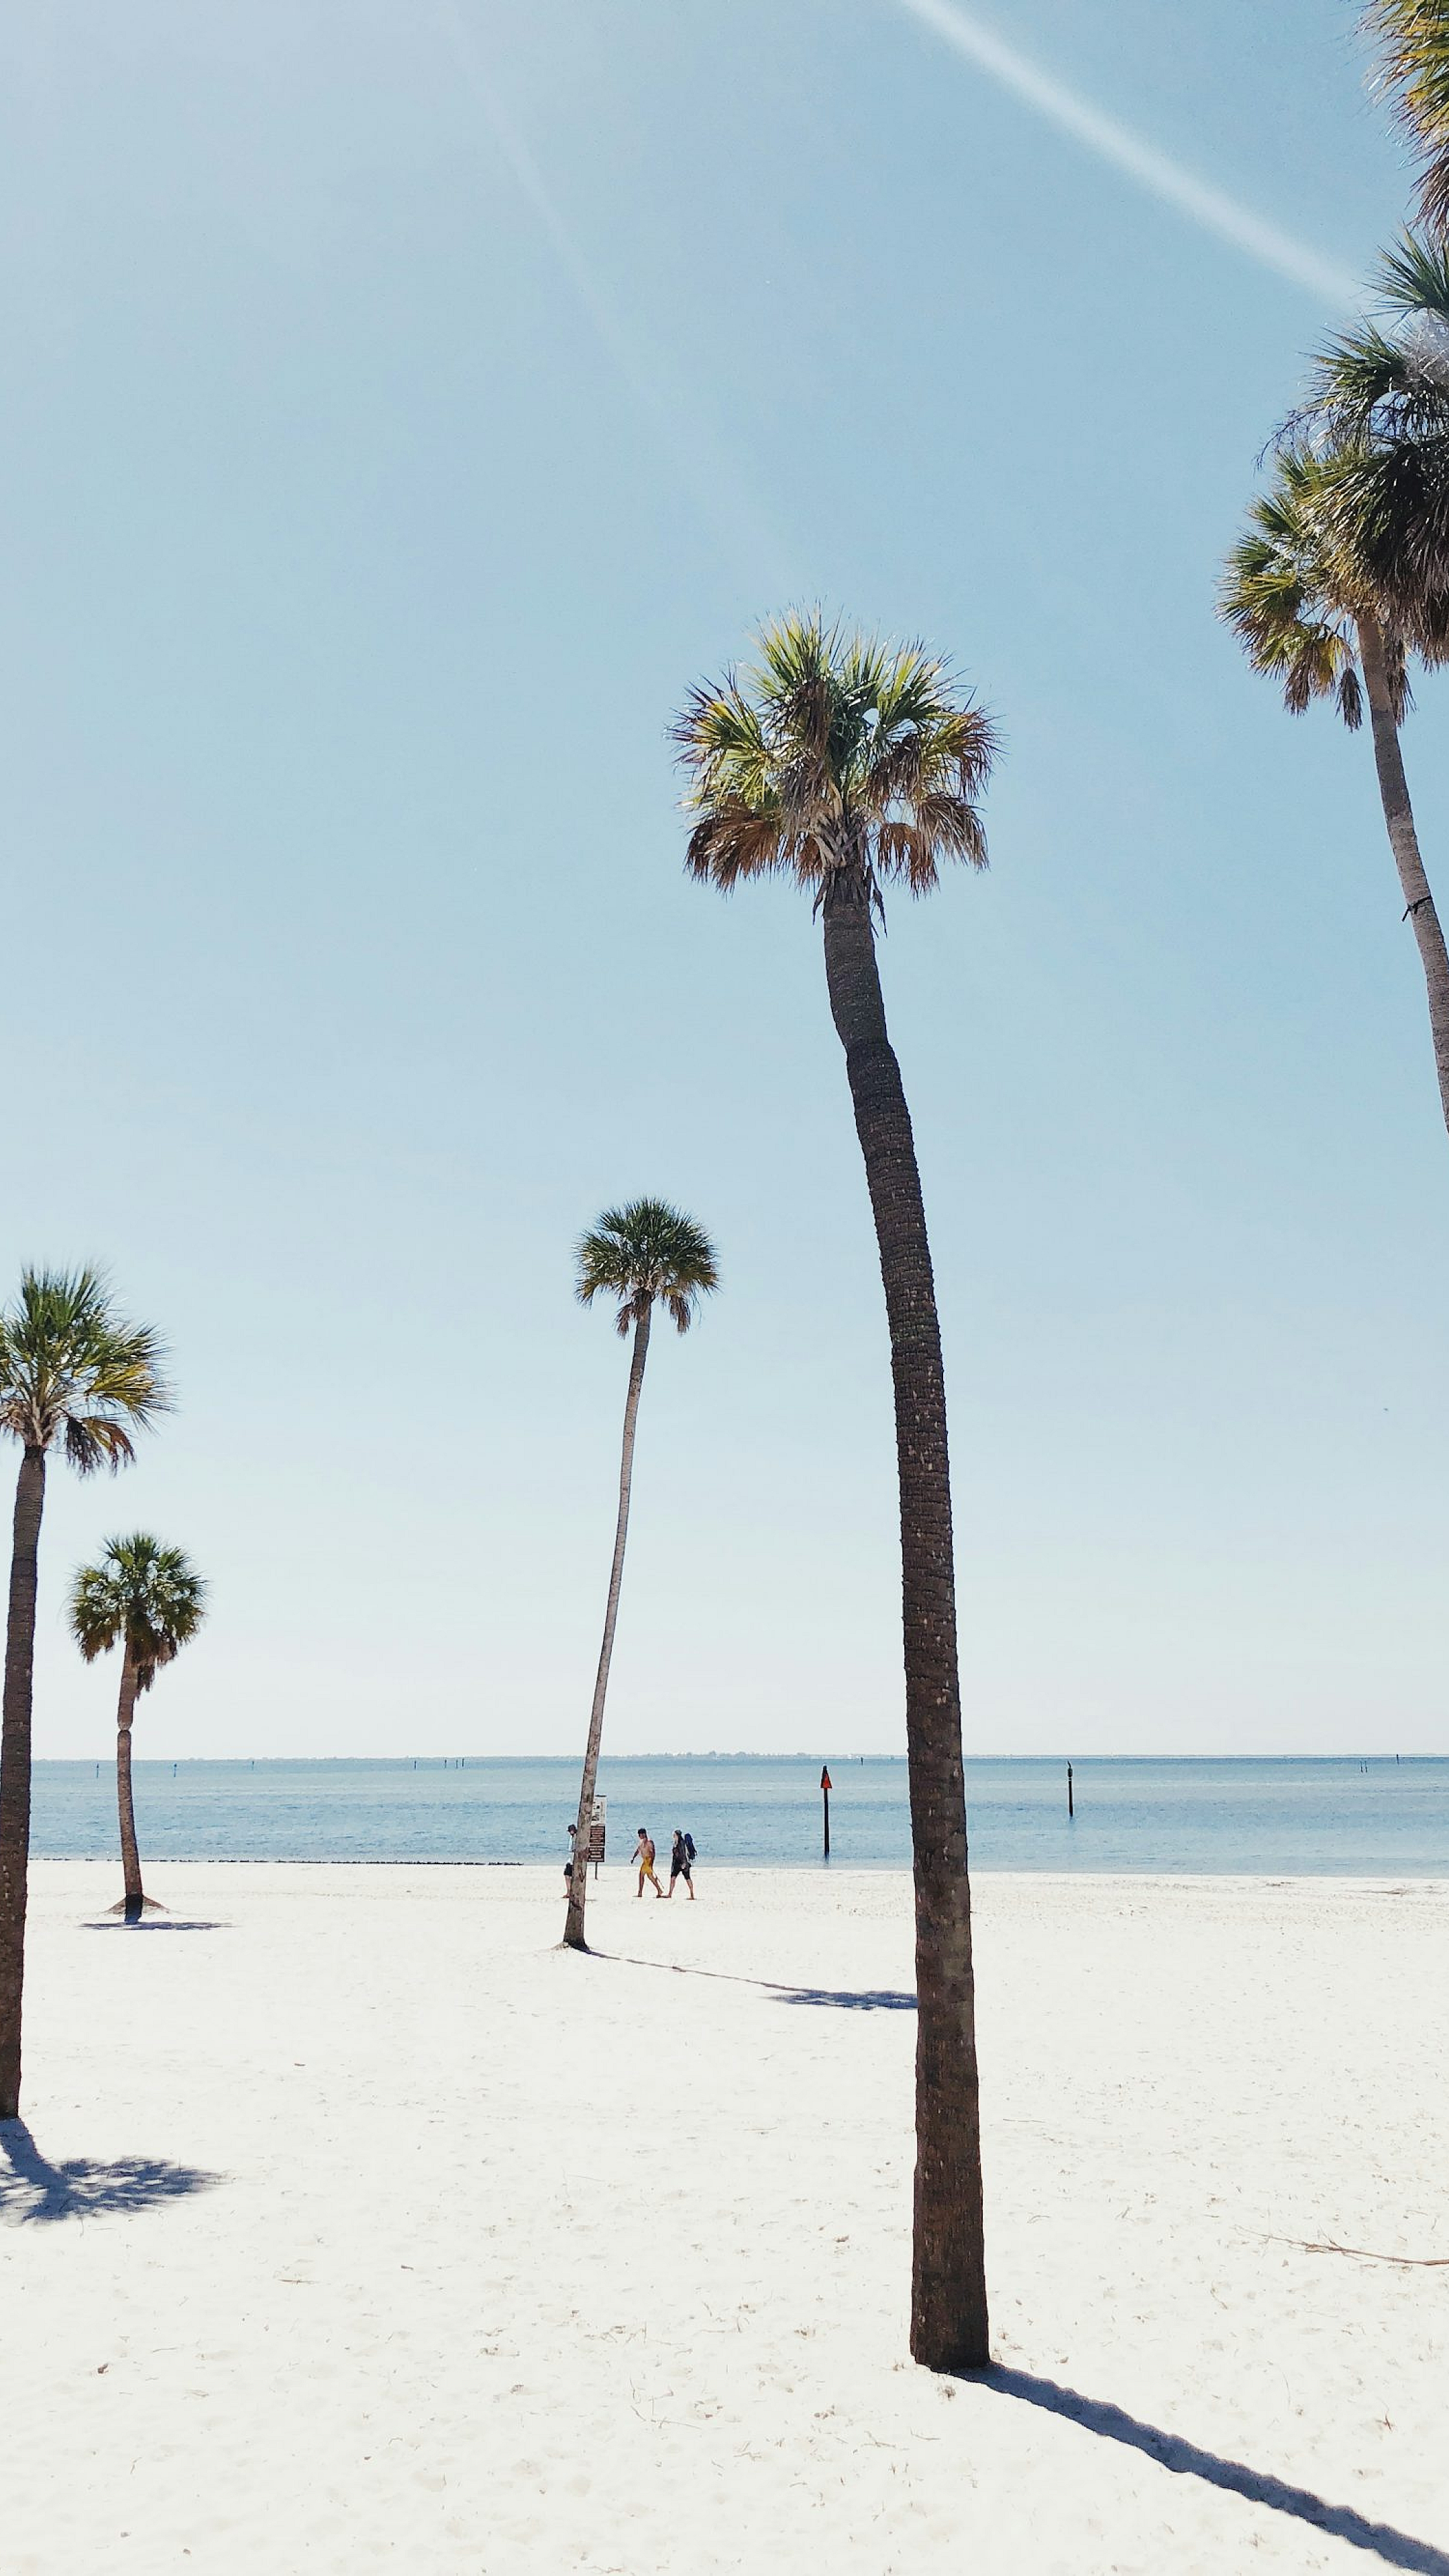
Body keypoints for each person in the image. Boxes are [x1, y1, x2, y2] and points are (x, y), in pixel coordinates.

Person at [664, 1829, 697, 1900]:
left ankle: (692, 1895)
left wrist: (684, 1863)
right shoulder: (676, 1843)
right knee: (673, 1878)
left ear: (677, 1835)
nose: (673, 1836)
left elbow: (683, 1854)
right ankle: (670, 1894)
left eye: (674, 1835)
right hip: (677, 1864)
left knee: (687, 1878)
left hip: (683, 1864)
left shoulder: (682, 1843)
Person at [634, 1827, 662, 1898]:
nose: (639, 1836)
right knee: (650, 1877)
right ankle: (659, 1890)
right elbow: (638, 1850)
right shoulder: (642, 1842)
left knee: (642, 1876)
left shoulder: (649, 1842)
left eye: (640, 1835)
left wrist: (651, 1863)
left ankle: (640, 1892)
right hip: (645, 1861)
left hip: (648, 1861)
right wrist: (634, 1857)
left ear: (643, 1834)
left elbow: (653, 1853)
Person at [563, 1820, 578, 1895]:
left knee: (568, 1875)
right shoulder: (572, 1837)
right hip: (571, 1859)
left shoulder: (576, 1837)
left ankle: (570, 1892)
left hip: (573, 1860)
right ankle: (569, 1891)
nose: (570, 1832)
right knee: (568, 1875)